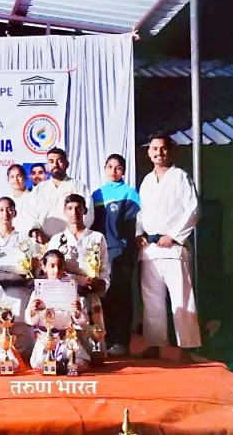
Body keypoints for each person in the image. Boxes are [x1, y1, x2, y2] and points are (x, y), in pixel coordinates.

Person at [136, 133, 201, 360]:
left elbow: (193, 209)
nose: (158, 153)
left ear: (169, 151)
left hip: (173, 248)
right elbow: (141, 213)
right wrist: (138, 234)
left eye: (162, 148)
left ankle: (187, 347)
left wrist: (173, 236)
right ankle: (155, 344)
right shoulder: (146, 181)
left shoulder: (180, 177)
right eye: (154, 149)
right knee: (152, 300)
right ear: (149, 152)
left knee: (181, 298)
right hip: (150, 249)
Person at [91, 153, 142, 357]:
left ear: (124, 171)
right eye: (110, 166)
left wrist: (126, 247)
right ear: (105, 169)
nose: (114, 171)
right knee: (103, 297)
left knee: (121, 296)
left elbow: (135, 224)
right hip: (99, 255)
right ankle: (105, 339)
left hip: (121, 253)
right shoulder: (97, 195)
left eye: (118, 167)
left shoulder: (130, 194)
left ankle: (121, 341)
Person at [47, 194, 109, 357]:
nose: (74, 212)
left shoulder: (96, 238)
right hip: (65, 298)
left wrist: (100, 284)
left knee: (97, 355)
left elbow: (104, 270)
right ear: (64, 211)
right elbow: (51, 270)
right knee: (68, 350)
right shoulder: (57, 240)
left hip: (90, 296)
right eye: (70, 208)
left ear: (85, 210)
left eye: (78, 208)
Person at [0, 197, 36, 358]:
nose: (5, 213)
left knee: (23, 344)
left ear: (15, 213)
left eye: (9, 209)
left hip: (19, 293)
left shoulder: (24, 239)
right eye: (1, 210)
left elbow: (31, 269)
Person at [25, 250, 89, 372]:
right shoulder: (37, 292)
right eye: (52, 266)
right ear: (44, 267)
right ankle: (58, 364)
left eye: (59, 266)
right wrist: (33, 311)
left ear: (64, 267)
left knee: (79, 364)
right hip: (45, 339)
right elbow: (31, 321)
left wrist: (77, 311)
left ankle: (64, 364)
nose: (56, 270)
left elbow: (81, 322)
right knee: (41, 364)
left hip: (66, 339)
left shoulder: (71, 291)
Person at [32, 148, 95, 239]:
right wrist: (36, 231)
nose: (55, 164)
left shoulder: (78, 186)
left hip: (73, 239)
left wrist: (77, 233)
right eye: (51, 161)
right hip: (43, 241)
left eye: (59, 161)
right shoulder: (39, 189)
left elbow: (88, 213)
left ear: (67, 164)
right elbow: (31, 214)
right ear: (47, 166)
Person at [6, 165, 38, 234]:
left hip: (30, 237)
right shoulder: (7, 201)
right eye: (12, 177)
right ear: (8, 179)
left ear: (25, 178)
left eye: (19, 176)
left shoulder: (34, 197)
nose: (16, 179)